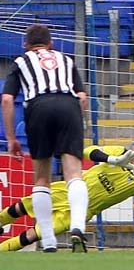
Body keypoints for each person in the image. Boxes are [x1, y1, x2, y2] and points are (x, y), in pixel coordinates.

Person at [0, 136, 134, 251]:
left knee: (33, 235)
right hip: (67, 191)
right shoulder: (119, 153)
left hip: (80, 212)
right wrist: (112, 160)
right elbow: (87, 151)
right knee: (18, 208)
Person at [1, 24, 91, 252]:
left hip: (39, 108)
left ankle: (49, 241)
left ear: (26, 45)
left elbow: (7, 100)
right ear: (51, 44)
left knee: (42, 179)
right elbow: (82, 97)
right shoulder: (66, 60)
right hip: (69, 106)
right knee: (73, 173)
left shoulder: (21, 61)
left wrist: (11, 137)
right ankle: (78, 227)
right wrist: (73, 126)